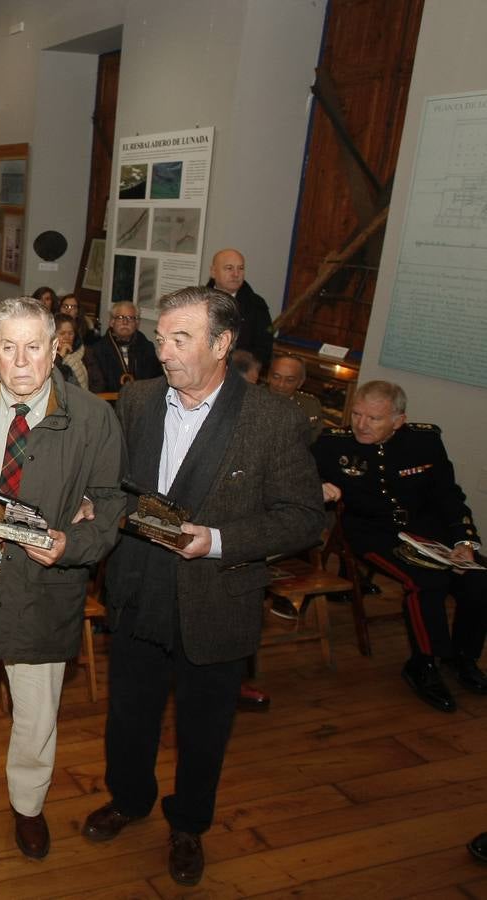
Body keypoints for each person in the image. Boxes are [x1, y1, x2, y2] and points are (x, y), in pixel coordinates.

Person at [80, 286, 325, 887]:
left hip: (216, 596)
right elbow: (119, 482)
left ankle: (188, 825)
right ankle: (129, 800)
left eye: (179, 339)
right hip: (137, 585)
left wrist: (214, 539)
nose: (163, 350)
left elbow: (303, 517)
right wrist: (93, 501)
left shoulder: (272, 418)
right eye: (161, 336)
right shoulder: (136, 399)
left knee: (204, 727)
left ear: (222, 343)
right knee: (129, 715)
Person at [0, 298, 123, 860]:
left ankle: (28, 804)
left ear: (55, 348)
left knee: (37, 706)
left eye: (34, 346)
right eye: (8, 347)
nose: (21, 360)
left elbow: (110, 505)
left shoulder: (93, 419)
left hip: (40, 580)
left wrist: (71, 544)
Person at [313, 380, 485, 713]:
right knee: (427, 583)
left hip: (427, 530)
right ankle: (424, 663)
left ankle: (464, 658)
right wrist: (317, 486)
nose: (361, 424)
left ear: (398, 420)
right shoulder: (333, 445)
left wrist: (464, 540)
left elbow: (448, 497)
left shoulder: (425, 442)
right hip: (373, 533)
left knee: (478, 579)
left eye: (373, 418)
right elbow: (297, 476)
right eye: (357, 414)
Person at [206, 248, 273, 368]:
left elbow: (264, 348)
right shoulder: (197, 301)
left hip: (240, 373)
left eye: (240, 268)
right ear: (213, 272)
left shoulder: (256, 305)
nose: (236, 274)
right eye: (229, 268)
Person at [85, 301, 162, 393]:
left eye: (130, 318)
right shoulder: (97, 350)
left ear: (137, 323)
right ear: (112, 322)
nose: (125, 322)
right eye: (120, 317)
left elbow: (156, 381)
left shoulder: (147, 348)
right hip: (109, 403)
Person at [267, 354, 323, 443]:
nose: (281, 385)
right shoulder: (252, 399)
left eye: (289, 380)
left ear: (300, 382)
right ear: (268, 377)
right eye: (276, 377)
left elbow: (314, 442)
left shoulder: (310, 405)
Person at [53, 312, 88, 389]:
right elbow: (52, 376)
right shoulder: (47, 355)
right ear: (53, 335)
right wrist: (61, 355)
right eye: (62, 333)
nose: (67, 337)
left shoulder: (84, 353)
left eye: (71, 333)